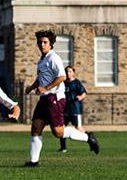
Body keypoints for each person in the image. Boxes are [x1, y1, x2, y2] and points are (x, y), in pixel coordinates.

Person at [24, 30, 99, 168]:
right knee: (36, 127)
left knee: (58, 132)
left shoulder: (54, 58)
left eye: (45, 42)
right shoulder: (42, 59)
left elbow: (62, 77)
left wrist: (45, 88)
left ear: (51, 44)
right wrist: (31, 87)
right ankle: (34, 162)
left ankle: (88, 137)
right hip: (44, 99)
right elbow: (41, 78)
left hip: (55, 98)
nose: (42, 44)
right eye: (40, 42)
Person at [58, 65, 87, 153]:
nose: (68, 73)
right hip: (65, 110)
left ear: (73, 73)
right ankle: (63, 148)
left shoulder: (77, 83)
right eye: (67, 72)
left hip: (75, 109)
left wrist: (79, 97)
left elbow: (84, 93)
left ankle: (90, 139)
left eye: (70, 71)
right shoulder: (63, 83)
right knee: (61, 128)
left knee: (78, 128)